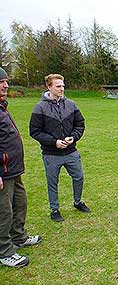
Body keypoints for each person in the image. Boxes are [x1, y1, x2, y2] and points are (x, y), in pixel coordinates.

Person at [30, 74, 90, 222]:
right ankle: (55, 209)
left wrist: (73, 137)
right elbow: (34, 131)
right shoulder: (40, 107)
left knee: (79, 177)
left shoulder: (71, 105)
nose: (62, 88)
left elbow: (80, 124)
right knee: (52, 182)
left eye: (63, 85)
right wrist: (53, 142)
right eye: (58, 86)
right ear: (49, 87)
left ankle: (77, 202)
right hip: (51, 154)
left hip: (71, 151)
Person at [0, 67, 41, 268]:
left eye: (6, 81)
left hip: (13, 169)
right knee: (3, 210)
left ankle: (19, 236)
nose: (6, 85)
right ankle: (4, 251)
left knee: (20, 202)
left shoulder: (1, 107)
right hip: (3, 171)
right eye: (1, 82)